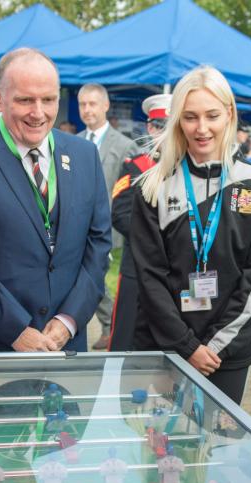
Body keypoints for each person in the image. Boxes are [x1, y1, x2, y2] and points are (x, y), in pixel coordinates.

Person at [0, 48, 111, 355]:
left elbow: (98, 246)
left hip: (63, 348)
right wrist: (16, 330)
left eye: (49, 100)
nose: (38, 112)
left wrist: (68, 320)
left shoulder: (84, 155)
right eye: (25, 100)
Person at [131, 66, 251, 404]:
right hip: (163, 347)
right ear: (178, 121)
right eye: (190, 117)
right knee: (161, 451)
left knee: (217, 452)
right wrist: (186, 345)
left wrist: (212, 346)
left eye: (212, 115)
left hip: (226, 355)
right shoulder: (152, 187)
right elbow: (149, 277)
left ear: (228, 114)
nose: (202, 128)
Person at [78, 83, 139, 349]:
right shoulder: (72, 142)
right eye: (82, 104)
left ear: (105, 106)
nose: (87, 110)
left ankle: (112, 324)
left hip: (108, 225)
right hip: (76, 224)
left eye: (92, 104)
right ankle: (105, 324)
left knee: (96, 275)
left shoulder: (125, 146)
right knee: (84, 275)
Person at [109, 93, 171, 352]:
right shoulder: (136, 167)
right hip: (138, 266)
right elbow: (120, 214)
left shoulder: (189, 169)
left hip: (174, 272)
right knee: (126, 340)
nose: (163, 134)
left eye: (169, 127)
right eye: (158, 127)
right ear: (149, 128)